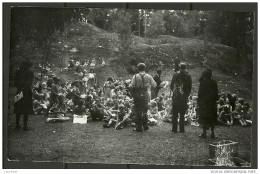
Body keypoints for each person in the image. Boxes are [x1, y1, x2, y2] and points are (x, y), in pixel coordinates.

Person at [129, 63, 157, 132]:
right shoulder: (148, 76)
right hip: (145, 94)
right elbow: (155, 85)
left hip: (137, 95)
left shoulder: (135, 76)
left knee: (138, 110)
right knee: (145, 110)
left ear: (138, 69)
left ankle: (138, 127)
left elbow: (131, 86)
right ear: (144, 68)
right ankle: (145, 126)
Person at [170, 63, 192, 133]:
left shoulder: (175, 74)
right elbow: (190, 88)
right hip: (184, 97)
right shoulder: (188, 76)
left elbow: (171, 85)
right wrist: (186, 95)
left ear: (179, 68)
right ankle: (182, 129)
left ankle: (174, 129)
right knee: (182, 114)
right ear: (185, 68)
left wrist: (174, 92)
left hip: (176, 96)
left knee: (175, 114)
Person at [197, 68, 218, 139]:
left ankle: (204, 132)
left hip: (204, 103)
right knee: (212, 118)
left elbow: (200, 93)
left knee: (204, 117)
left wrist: (199, 101)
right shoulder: (214, 82)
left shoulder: (203, 83)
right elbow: (216, 94)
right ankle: (212, 133)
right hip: (212, 103)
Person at [14, 60, 34, 130]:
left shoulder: (18, 72)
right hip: (26, 92)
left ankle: (17, 125)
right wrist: (25, 86)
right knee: (26, 108)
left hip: (19, 91)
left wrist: (20, 86)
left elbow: (15, 83)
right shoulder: (30, 72)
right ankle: (25, 126)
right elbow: (30, 82)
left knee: (18, 108)